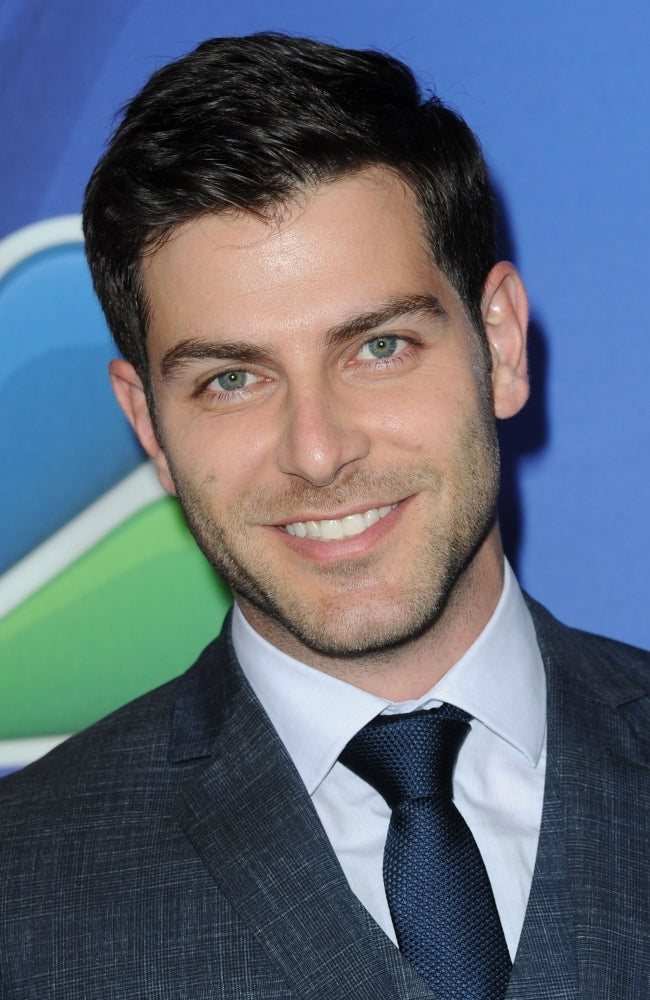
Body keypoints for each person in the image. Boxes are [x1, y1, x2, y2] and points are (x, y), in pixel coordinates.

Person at [1, 32, 647, 1000]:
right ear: (147, 422)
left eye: (378, 347)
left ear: (499, 344)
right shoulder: (22, 885)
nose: (316, 450)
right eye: (230, 378)